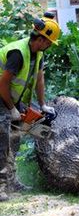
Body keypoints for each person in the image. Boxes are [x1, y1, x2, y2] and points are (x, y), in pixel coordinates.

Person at [0, 12, 61, 201]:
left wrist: (42, 105)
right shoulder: (18, 54)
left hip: (15, 99)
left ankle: (11, 180)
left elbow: (39, 80)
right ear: (42, 39)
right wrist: (11, 108)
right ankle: (1, 186)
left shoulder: (38, 54)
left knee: (17, 135)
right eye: (49, 43)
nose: (49, 46)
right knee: (2, 137)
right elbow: (2, 84)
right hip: (1, 96)